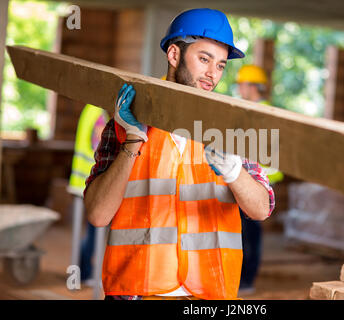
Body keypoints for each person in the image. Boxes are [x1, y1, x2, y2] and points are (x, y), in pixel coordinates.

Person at [83, 8, 275, 300]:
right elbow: (98, 215)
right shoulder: (126, 124)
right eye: (204, 59)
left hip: (209, 294)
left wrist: (235, 172)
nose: (213, 74)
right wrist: (133, 143)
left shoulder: (233, 128)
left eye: (221, 65)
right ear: (174, 55)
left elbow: (261, 209)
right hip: (135, 289)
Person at [235, 65, 283, 294]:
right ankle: (244, 278)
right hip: (252, 179)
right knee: (247, 233)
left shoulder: (260, 112)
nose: (239, 88)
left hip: (259, 181)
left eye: (242, 84)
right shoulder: (255, 109)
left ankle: (246, 280)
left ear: (252, 86)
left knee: (250, 234)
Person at [68, 104, 109, 282]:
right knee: (95, 230)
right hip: (91, 179)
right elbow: (101, 144)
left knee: (90, 230)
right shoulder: (98, 113)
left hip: (80, 179)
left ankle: (82, 273)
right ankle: (84, 273)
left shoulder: (88, 110)